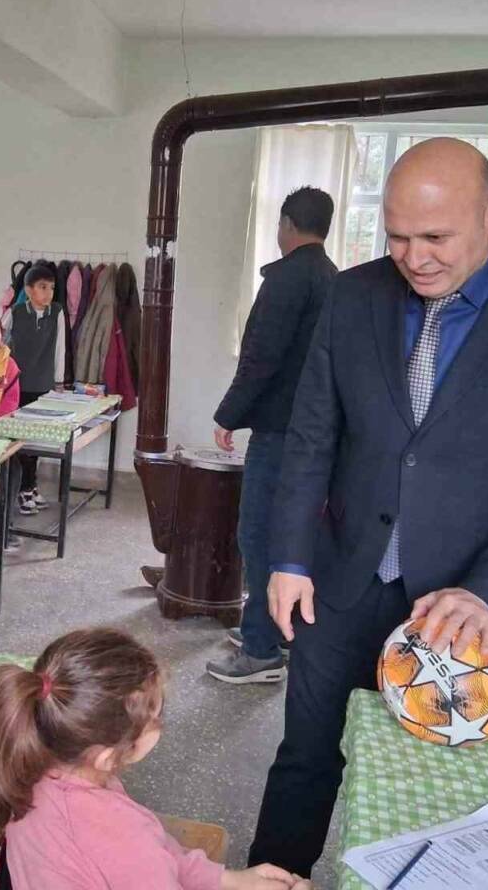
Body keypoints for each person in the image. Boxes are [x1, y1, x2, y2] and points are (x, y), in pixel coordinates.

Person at [248, 138, 488, 877]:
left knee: (435, 785)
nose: (414, 258)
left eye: (436, 237)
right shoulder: (353, 294)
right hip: (340, 582)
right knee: (304, 759)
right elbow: (313, 435)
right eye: (397, 236)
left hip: (467, 604)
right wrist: (288, 557)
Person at [0, 627, 311, 890]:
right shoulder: (124, 836)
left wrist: (226, 879)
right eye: (154, 716)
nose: (161, 722)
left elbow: (158, 856)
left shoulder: (32, 765)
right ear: (108, 757)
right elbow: (142, 857)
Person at [207, 187, 338, 686]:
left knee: (259, 535)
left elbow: (262, 357)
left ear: (287, 224)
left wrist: (228, 415)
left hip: (280, 431)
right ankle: (274, 627)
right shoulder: (332, 277)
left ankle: (260, 650)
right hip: (313, 433)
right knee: (291, 533)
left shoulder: (287, 278)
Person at [3, 266, 66, 516]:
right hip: (18, 385)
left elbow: (61, 348)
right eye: (42, 287)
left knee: (35, 439)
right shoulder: (16, 312)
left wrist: (59, 381)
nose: (48, 292)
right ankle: (23, 489)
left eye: (51, 288)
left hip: (43, 385)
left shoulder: (57, 313)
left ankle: (31, 486)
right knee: (21, 441)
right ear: (28, 290)